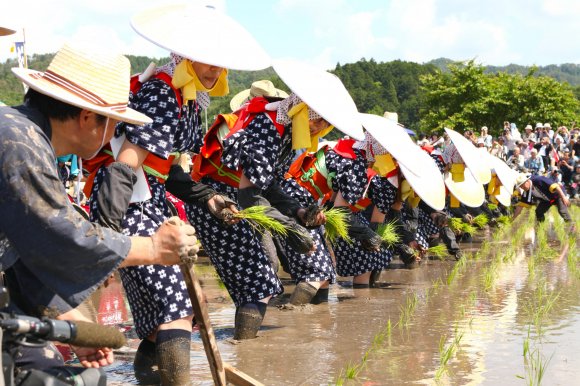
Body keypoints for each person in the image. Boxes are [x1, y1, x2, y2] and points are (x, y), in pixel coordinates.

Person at [86, 5, 271, 384]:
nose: (213, 71)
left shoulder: (187, 98)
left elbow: (166, 171)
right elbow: (127, 163)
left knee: (162, 319)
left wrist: (208, 198)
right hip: (128, 201)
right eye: (205, 60)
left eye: (219, 65)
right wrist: (104, 234)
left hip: (149, 198)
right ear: (183, 54)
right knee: (177, 307)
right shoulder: (162, 91)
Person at [0, 44, 197, 375]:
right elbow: (64, 238)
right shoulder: (20, 144)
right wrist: (153, 247)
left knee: (59, 372)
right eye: (113, 123)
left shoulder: (24, 135)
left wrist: (74, 326)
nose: (111, 136)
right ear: (88, 117)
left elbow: (25, 251)